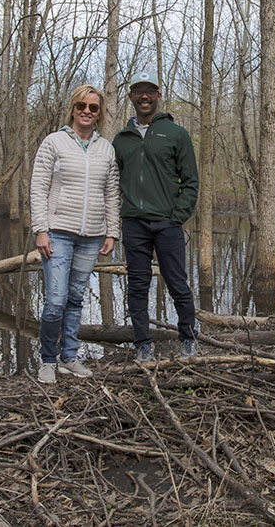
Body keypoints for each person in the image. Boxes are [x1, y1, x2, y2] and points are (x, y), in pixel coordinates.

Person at [30, 85, 120, 384]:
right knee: (55, 299)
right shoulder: (54, 142)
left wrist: (112, 232)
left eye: (93, 107)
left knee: (76, 298)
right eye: (81, 105)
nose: (86, 111)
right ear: (73, 108)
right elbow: (39, 187)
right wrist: (41, 230)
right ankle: (47, 359)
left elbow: (111, 193)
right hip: (58, 232)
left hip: (92, 235)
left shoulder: (105, 148)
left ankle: (69, 357)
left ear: (99, 114)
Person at [113, 70, 200, 360]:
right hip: (133, 223)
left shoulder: (176, 134)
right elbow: (114, 183)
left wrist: (177, 216)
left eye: (150, 91)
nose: (144, 96)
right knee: (137, 286)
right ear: (131, 97)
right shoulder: (121, 140)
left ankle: (188, 337)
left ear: (158, 96)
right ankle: (143, 344)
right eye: (139, 91)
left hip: (167, 224)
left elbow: (190, 181)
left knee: (177, 283)